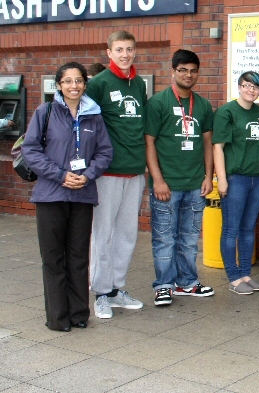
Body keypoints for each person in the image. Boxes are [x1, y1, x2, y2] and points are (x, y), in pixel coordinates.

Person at [22, 62, 113, 331]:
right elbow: (31, 150)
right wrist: (60, 175)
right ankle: (58, 317)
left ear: (85, 84)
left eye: (79, 81)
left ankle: (79, 314)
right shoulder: (45, 112)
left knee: (78, 257)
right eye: (68, 81)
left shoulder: (94, 116)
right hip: (51, 195)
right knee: (53, 258)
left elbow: (105, 152)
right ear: (59, 85)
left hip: (82, 194)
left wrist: (88, 175)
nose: (74, 86)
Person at [145, 49, 215, 306]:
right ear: (173, 71)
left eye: (193, 70)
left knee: (189, 238)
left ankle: (187, 282)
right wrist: (158, 180)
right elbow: (149, 143)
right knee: (164, 237)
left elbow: (207, 143)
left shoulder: (204, 105)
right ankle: (164, 285)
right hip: (167, 185)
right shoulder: (158, 103)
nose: (189, 75)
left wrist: (209, 176)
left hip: (196, 184)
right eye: (183, 70)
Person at [86, 30, 147, 319]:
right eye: (119, 49)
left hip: (134, 172)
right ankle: (100, 293)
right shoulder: (98, 84)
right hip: (107, 173)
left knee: (127, 234)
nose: (125, 54)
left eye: (129, 49)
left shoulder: (138, 85)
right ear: (109, 53)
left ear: (135, 52)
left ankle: (116, 289)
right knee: (103, 234)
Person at [213, 71, 259, 295]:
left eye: (255, 87)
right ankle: (234, 277)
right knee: (231, 229)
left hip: (257, 179)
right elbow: (218, 147)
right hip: (236, 179)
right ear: (239, 87)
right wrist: (222, 179)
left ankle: (245, 273)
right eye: (246, 85)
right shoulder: (227, 112)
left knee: (248, 228)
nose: (250, 90)